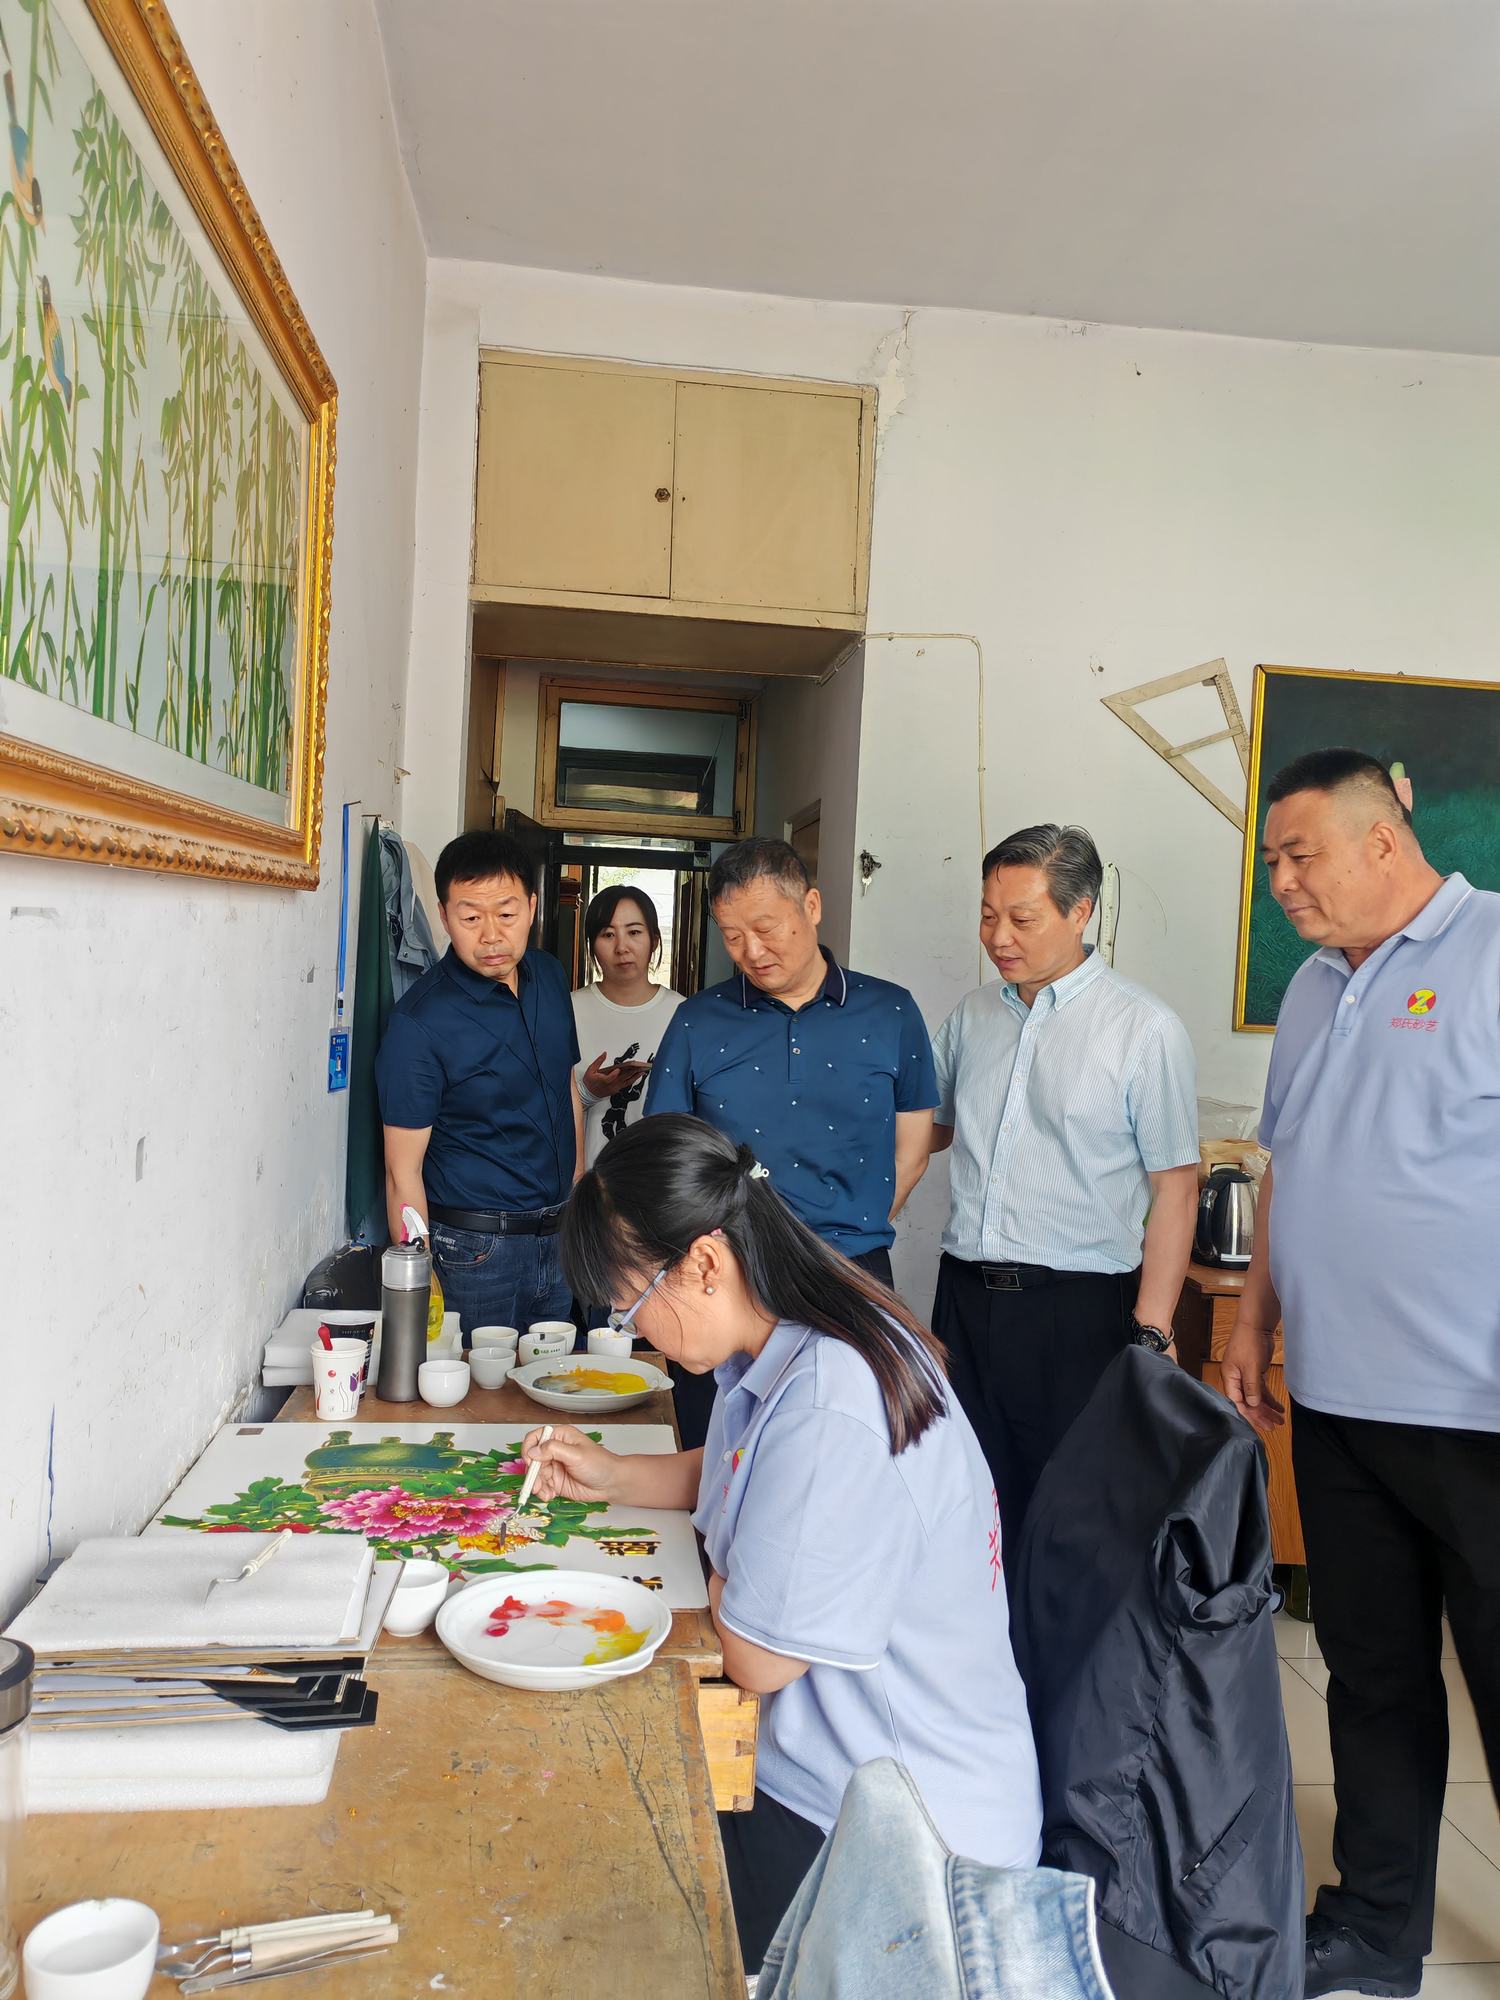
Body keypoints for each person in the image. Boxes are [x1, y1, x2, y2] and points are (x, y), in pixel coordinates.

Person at [521, 1115, 1042, 1976]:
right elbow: (741, 1472)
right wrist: (611, 1476)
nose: (635, 1330)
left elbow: (757, 1656)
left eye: (632, 1304)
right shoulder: (788, 1334)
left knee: (602, 1877)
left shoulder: (833, 1398)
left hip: (904, 1837)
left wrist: (733, 1573)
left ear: (704, 1263)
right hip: (836, 1773)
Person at [1221, 749, 1500, 2000]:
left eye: (1301, 854)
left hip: (1476, 1407)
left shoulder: (1492, 950)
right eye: (1272, 861)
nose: (1283, 880)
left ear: (1384, 837)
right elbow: (1289, 1163)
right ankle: (1377, 1929)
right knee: (1373, 1676)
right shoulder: (1316, 985)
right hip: (1337, 1400)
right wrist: (1252, 1321)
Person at [930, 823, 1199, 1550]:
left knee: (1071, 1523)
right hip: (964, 1301)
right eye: (988, 915)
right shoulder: (972, 1017)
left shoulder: (1143, 1029)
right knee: (966, 1509)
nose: (999, 937)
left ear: (1081, 913)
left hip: (1077, 1312)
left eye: (1022, 918)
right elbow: (927, 1132)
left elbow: (1176, 1188)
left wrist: (1153, 1331)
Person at [645, 838, 938, 1444]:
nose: (751, 952)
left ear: (811, 906)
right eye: (732, 936)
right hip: (728, 1276)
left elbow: (911, 1151)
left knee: (849, 1442)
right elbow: (665, 1156)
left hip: (852, 1272)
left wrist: (839, 1234)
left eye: (766, 928)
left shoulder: (891, 1013)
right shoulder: (698, 1020)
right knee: (718, 1446)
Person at [376, 830, 584, 1335]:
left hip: (560, 1238)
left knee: (550, 1378)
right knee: (473, 1385)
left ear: (532, 907)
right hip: (474, 1253)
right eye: (471, 918)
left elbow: (566, 1087)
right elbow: (402, 1172)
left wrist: (577, 1195)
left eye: (506, 915)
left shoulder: (550, 977)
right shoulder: (418, 1023)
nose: (491, 936)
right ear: (444, 916)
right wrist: (419, 1282)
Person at [571, 885, 684, 1168]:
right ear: (592, 945)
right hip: (585, 1181)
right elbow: (538, 1109)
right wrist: (587, 1092)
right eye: (608, 935)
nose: (622, 947)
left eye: (634, 932)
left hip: (659, 1181)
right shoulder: (566, 1011)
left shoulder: (683, 1013)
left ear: (654, 940)